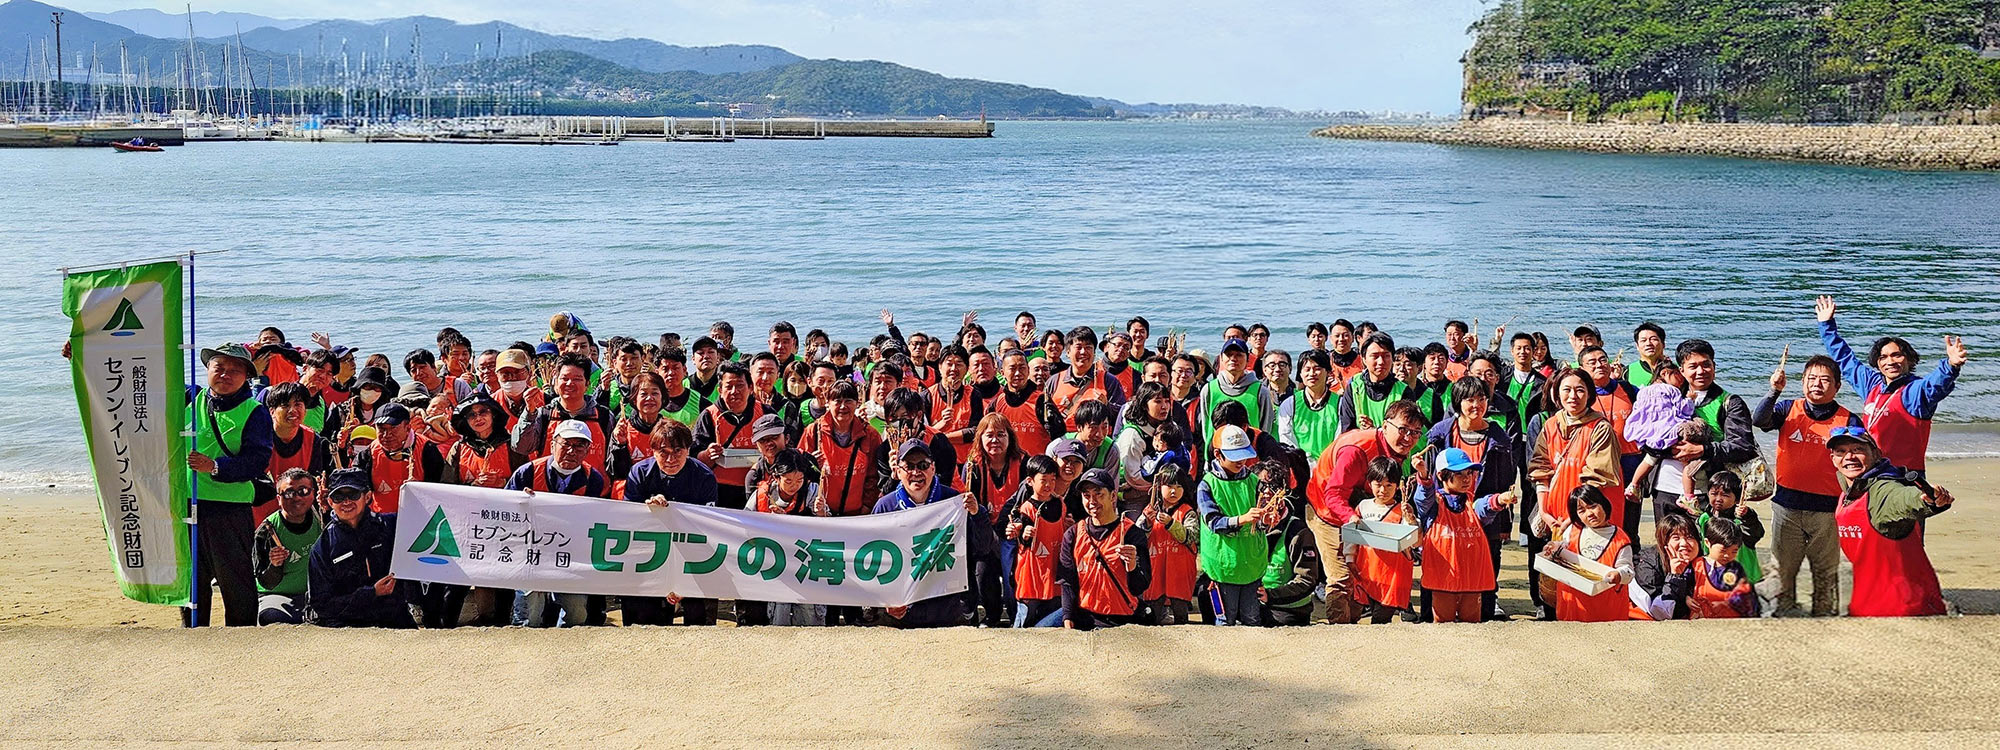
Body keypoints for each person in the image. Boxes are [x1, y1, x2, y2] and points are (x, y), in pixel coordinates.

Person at [1753, 354, 1862, 617]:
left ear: (1837, 386)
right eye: (1811, 378)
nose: (1817, 384)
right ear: (1802, 382)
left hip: (1827, 511)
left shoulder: (1849, 420)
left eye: (1825, 380)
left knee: (1825, 571)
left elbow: (1862, 464)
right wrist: (1774, 391)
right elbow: (1759, 420)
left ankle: (1825, 615)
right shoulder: (1788, 408)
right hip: (1786, 506)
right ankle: (1783, 612)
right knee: (1783, 569)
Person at [1305, 400, 1425, 624]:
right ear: (1385, 425)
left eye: (1415, 432)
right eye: (1403, 430)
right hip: (1326, 510)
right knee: (1341, 576)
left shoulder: (1395, 448)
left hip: (1360, 506)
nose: (1409, 438)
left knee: (1361, 575)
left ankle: (1355, 629)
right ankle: (1339, 632)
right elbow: (1333, 494)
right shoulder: (1356, 450)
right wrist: (1351, 519)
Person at [1816, 295, 1968, 473]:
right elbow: (1845, 359)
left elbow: (1935, 385)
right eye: (1883, 357)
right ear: (1877, 363)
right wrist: (1826, 326)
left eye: (1897, 355)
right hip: (1871, 471)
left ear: (1910, 360)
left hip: (1904, 477)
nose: (1890, 361)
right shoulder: (1873, 385)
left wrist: (1951, 366)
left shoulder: (1914, 392)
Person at [187, 342, 274, 627]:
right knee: (193, 581)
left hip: (230, 508)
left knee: (235, 581)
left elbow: (257, 461)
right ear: (208, 369)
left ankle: (241, 641)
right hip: (189, 503)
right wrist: (84, 357)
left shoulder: (254, 411)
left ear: (246, 376)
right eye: (219, 368)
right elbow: (145, 383)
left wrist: (214, 467)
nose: (225, 375)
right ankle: (193, 636)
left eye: (234, 371)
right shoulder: (191, 398)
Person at [1527, 368, 1623, 619]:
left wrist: (1576, 516)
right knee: (1554, 573)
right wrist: (1545, 511)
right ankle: (1552, 614)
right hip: (1556, 515)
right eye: (1566, 390)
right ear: (1557, 395)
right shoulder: (1550, 425)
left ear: (1590, 394)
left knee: (1585, 569)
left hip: (1586, 514)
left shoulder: (1600, 428)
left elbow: (1597, 478)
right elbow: (1541, 470)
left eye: (1580, 390)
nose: (1573, 396)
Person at [1828, 427, 1955, 617]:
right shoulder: (1850, 490)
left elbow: (1903, 498)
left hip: (1905, 610)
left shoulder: (1883, 490)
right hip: (1869, 605)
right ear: (1833, 459)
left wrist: (1928, 500)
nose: (1849, 457)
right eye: (1841, 451)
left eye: (1858, 450)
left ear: (1877, 454)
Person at [1421, 378, 1518, 621]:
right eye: (1470, 399)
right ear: (1457, 402)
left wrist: (1504, 523)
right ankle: (1428, 619)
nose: (1477, 405)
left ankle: (1483, 618)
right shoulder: (1441, 432)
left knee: (1483, 571)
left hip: (1485, 515)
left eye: (1482, 399)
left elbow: (1506, 478)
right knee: (1438, 572)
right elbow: (1431, 477)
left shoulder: (1499, 436)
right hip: (1445, 516)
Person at [506, 420, 613, 627]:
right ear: (553, 444)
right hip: (531, 553)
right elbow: (504, 511)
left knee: (576, 613)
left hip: (570, 555)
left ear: (588, 450)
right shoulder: (527, 472)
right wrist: (519, 501)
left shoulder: (593, 479)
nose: (572, 451)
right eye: (566, 444)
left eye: (579, 446)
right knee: (529, 615)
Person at [873, 439, 984, 628]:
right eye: (909, 466)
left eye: (923, 465)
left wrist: (977, 514)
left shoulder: (955, 502)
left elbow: (981, 547)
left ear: (933, 469)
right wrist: (886, 602)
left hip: (949, 609)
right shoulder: (885, 507)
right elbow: (874, 561)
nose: (916, 473)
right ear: (898, 471)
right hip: (902, 613)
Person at [623, 418, 719, 625]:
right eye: (663, 452)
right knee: (647, 623)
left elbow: (707, 528)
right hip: (651, 554)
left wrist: (684, 580)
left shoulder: (704, 476)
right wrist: (648, 511)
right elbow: (628, 523)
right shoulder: (639, 473)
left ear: (688, 449)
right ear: (653, 451)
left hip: (692, 555)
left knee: (699, 621)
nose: (670, 459)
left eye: (678, 451)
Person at [1413, 449, 1516, 623]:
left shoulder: (1471, 502)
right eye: (1459, 474)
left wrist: (1500, 500)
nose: (1467, 478)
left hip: (1471, 582)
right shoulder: (1434, 504)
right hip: (1442, 581)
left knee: (1471, 627)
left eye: (1469, 473)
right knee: (1442, 627)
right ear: (1441, 475)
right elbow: (1422, 498)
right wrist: (1423, 474)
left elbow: (1485, 506)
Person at [307, 468, 412, 628]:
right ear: (330, 502)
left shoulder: (392, 526)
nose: (346, 502)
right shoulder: (323, 547)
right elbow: (321, 604)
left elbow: (427, 526)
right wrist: (370, 594)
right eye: (338, 496)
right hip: (348, 626)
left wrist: (415, 496)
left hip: (394, 619)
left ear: (368, 497)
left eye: (353, 495)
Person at [1056, 468, 1152, 630]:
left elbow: (1140, 587)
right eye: (1086, 495)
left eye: (1099, 494)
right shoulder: (1073, 534)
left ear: (1113, 496)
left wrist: (1132, 566)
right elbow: (1067, 582)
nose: (1092, 501)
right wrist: (1068, 620)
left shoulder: (1131, 534)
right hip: (1084, 616)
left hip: (1121, 619)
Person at [1196, 425, 1269, 626]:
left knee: (1252, 620)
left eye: (1243, 456)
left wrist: (1268, 519)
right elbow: (1213, 522)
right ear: (1218, 454)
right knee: (1224, 622)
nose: (1241, 462)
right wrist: (1242, 519)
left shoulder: (1254, 481)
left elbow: (1263, 521)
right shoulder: (1207, 484)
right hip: (1222, 567)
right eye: (1235, 457)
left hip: (1251, 565)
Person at [1534, 486, 1634, 623]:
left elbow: (1628, 570)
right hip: (1573, 605)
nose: (1589, 514)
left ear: (1604, 505)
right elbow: (1563, 547)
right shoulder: (1573, 530)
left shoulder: (1620, 539)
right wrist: (1554, 548)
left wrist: (1618, 575)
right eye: (1582, 511)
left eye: (1593, 506)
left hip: (1606, 608)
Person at [511, 354, 614, 474]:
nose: (570, 383)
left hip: (593, 489)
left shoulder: (604, 416)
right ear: (556, 382)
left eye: (577, 379)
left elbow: (613, 459)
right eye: (564, 378)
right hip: (550, 489)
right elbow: (521, 447)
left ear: (587, 385)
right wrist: (529, 412)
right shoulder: (544, 414)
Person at [1007, 455, 1072, 628]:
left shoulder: (1060, 503)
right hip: (1031, 575)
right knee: (1024, 622)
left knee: (1051, 619)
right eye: (1043, 480)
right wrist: (1024, 534)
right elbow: (1020, 536)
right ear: (1030, 481)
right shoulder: (1026, 508)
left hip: (1054, 571)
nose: (1049, 485)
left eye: (1052, 479)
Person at [254, 468, 323, 625]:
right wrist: (275, 566)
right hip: (277, 597)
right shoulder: (267, 531)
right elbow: (265, 582)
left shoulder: (322, 519)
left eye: (303, 491)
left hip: (313, 594)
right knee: (271, 618)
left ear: (313, 493)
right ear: (279, 498)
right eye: (289, 493)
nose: (297, 498)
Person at [690, 361, 763, 510]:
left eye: (740, 385)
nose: (734, 391)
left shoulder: (765, 412)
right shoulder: (709, 415)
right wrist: (708, 454)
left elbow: (781, 448)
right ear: (720, 390)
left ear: (750, 388)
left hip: (757, 487)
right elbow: (693, 458)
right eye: (729, 386)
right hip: (719, 488)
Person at [1675, 339, 1757, 469]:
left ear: (1714, 366)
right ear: (1682, 371)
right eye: (1693, 366)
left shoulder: (1731, 403)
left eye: (1706, 364)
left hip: (1713, 483)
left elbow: (1743, 447)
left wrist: (1703, 450)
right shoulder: (1670, 398)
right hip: (1665, 481)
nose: (1701, 371)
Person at [1256, 462, 1320, 626]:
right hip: (1253, 602)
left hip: (1287, 609)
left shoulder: (1298, 532)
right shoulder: (1248, 524)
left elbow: (1307, 581)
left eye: (1273, 488)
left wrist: (1271, 595)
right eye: (1261, 487)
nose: (1266, 494)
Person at [260, 382, 330, 526]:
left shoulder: (313, 440)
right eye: (285, 405)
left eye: (298, 404)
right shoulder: (258, 437)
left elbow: (315, 482)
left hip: (299, 515)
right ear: (272, 411)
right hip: (263, 517)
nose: (292, 410)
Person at [1138, 464, 1199, 624]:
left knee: (1181, 615)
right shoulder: (1150, 510)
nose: (1174, 491)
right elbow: (1137, 537)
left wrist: (1172, 524)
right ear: (1159, 488)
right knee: (1153, 615)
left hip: (1179, 573)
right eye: (1170, 486)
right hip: (1155, 571)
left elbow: (1192, 536)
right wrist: (1147, 523)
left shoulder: (1188, 512)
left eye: (1179, 487)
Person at [1048, 326, 1127, 433]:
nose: (1083, 352)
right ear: (1067, 352)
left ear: (1094, 352)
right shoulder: (1054, 381)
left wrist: (1106, 405)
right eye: (1078, 347)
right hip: (1064, 443)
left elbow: (1122, 416)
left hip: (1098, 443)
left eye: (1088, 347)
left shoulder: (1109, 381)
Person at [1198, 338, 1272, 446]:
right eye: (1229, 354)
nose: (1233, 358)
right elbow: (1206, 427)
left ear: (1247, 360)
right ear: (1221, 359)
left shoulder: (1260, 391)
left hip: (1251, 455)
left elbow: (1265, 428)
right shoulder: (1209, 389)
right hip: (1218, 455)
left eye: (1239, 355)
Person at [1629, 513, 1701, 621]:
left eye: (1690, 537)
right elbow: (1659, 612)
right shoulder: (1647, 564)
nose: (1684, 543)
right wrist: (1674, 576)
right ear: (1664, 542)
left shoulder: (1703, 563)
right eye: (1676, 537)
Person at [1277, 350, 1341, 461]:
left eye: (1317, 369)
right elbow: (1287, 439)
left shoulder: (1340, 403)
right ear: (1300, 374)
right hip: (1300, 466)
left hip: (1331, 463)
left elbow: (1340, 439)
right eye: (1307, 369)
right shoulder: (1290, 404)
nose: (1312, 373)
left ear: (1328, 372)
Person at [1688, 518, 1759, 619]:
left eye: (1734, 551)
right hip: (1701, 618)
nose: (1727, 555)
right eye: (1723, 550)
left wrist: (1725, 603)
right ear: (1707, 543)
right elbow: (1686, 586)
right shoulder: (1697, 565)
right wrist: (1686, 598)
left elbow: (1743, 595)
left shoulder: (1736, 569)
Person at [1626, 322, 1668, 388]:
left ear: (1663, 344)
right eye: (1643, 340)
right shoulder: (1627, 372)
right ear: (1637, 346)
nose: (1648, 343)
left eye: (1653, 339)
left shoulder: (1676, 370)